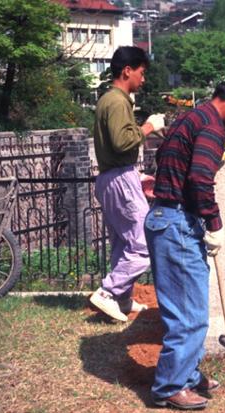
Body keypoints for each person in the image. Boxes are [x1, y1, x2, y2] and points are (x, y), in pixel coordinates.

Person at [145, 70, 225, 410]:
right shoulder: (212, 126)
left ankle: (188, 373)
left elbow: (167, 160)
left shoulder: (191, 118)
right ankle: (170, 387)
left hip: (166, 218)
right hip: (178, 223)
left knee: (187, 306)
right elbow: (198, 177)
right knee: (189, 315)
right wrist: (215, 222)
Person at [89, 46, 166, 322]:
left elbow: (115, 146)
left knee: (124, 243)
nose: (143, 80)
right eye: (142, 73)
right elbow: (122, 142)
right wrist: (148, 126)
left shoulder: (109, 100)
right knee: (143, 243)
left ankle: (122, 299)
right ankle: (108, 293)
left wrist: (135, 176)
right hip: (119, 176)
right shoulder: (118, 101)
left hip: (114, 176)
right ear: (127, 71)